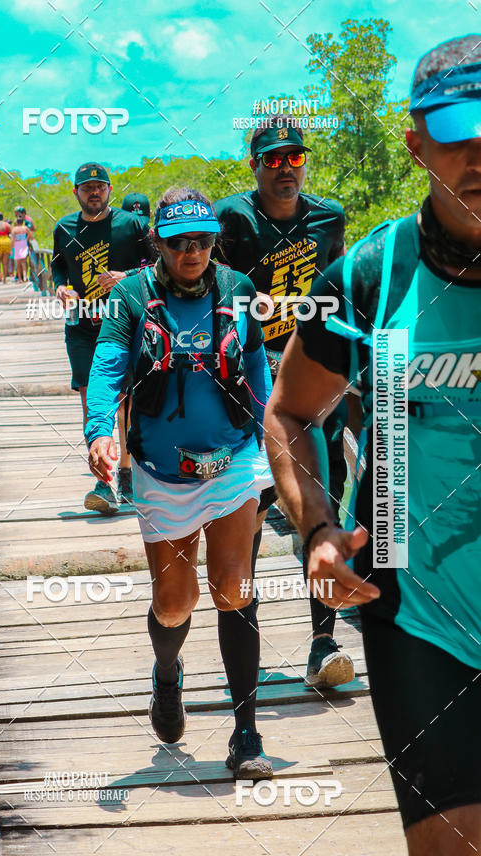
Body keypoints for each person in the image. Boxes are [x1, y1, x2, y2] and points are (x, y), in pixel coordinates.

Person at [263, 35, 481, 856]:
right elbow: (287, 412)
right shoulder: (368, 276)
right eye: (459, 133)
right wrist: (316, 528)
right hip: (421, 620)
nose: (479, 157)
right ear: (415, 142)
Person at [85, 187, 275, 778]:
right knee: (174, 604)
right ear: (158, 243)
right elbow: (107, 369)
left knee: (233, 588)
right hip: (161, 472)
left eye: (202, 241)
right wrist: (98, 432)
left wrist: (276, 437)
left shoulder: (240, 292)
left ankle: (246, 735)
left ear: (214, 242)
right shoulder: (128, 299)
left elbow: (255, 371)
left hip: (232, 460)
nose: (191, 252)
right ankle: (167, 675)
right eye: (178, 242)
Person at [215, 119, 352, 689]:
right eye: (273, 159)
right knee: (251, 508)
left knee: (321, 505)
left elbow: (342, 297)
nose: (286, 167)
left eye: (295, 157)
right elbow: (211, 292)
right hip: (251, 374)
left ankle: (324, 643)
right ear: (254, 164)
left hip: (315, 375)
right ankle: (244, 654)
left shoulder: (329, 218)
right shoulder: (232, 219)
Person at [52, 162, 155, 514]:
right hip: (82, 327)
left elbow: (158, 265)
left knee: (125, 403)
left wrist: (126, 276)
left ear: (110, 189)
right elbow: (58, 266)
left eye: (100, 186)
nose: (94, 191)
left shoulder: (134, 225)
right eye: (86, 187)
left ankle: (126, 474)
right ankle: (104, 481)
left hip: (124, 324)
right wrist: (62, 289)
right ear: (76, 192)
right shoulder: (64, 228)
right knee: (91, 403)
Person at [11, 207, 32, 282]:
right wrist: (26, 239)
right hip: (23, 244)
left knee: (18, 263)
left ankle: (19, 278)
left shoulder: (14, 229)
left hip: (17, 245)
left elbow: (12, 239)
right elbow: (31, 235)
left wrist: (11, 247)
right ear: (22, 222)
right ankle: (25, 277)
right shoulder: (25, 228)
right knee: (24, 262)